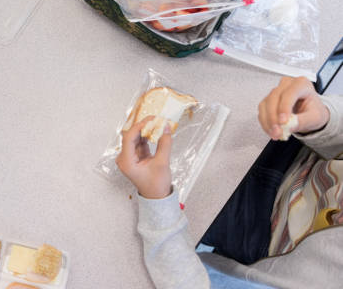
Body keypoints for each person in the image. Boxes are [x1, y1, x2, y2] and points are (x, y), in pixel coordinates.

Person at [116, 76, 343, 288]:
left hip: (265, 234)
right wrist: (324, 121)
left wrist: (158, 202)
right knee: (305, 83)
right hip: (302, 158)